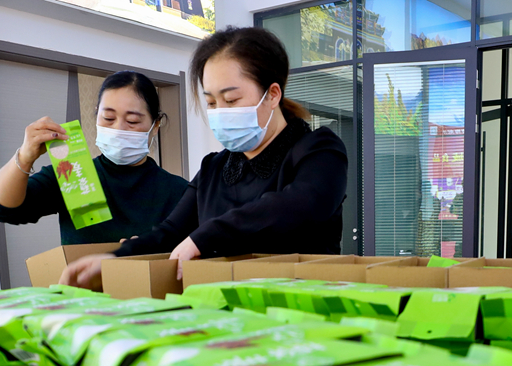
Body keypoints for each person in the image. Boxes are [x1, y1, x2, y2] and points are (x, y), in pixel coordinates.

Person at [60, 27, 348, 286]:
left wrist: (205, 236)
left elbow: (302, 205)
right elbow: (170, 232)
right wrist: (115, 257)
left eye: (231, 100)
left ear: (272, 95)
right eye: (211, 102)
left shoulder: (319, 150)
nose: (220, 111)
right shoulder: (214, 167)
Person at [0, 71, 189, 246]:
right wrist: (24, 157)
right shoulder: (73, 173)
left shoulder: (179, 192)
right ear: (97, 115)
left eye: (132, 121)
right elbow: (3, 208)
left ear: (155, 125)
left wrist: (155, 252)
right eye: (108, 118)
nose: (118, 128)